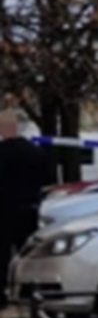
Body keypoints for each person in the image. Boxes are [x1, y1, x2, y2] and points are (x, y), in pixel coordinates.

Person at [0, 109, 52, 303]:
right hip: (29, 208)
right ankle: (30, 289)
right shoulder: (35, 152)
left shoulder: (2, 153)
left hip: (4, 210)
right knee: (29, 252)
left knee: (2, 254)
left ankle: (2, 293)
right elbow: (47, 178)